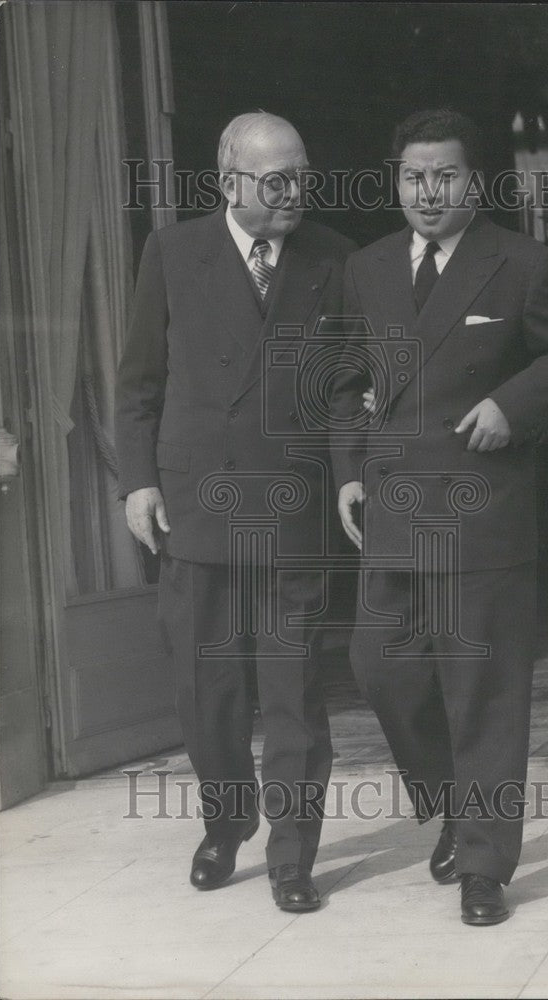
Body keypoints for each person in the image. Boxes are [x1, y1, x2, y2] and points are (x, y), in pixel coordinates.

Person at [331, 108, 548, 925]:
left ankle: (485, 863)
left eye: (444, 175)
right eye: (413, 175)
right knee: (378, 665)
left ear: (472, 181)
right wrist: (347, 473)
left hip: (482, 507)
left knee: (483, 689)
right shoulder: (369, 268)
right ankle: (456, 800)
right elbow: (345, 380)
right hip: (390, 509)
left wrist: (509, 404)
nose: (427, 191)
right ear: (396, 180)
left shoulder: (522, 263)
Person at [115, 112, 355, 912]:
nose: (293, 192)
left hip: (293, 511)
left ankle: (293, 856)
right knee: (206, 688)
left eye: (301, 175)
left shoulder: (333, 257)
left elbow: (352, 390)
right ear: (229, 183)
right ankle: (225, 825)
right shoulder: (172, 252)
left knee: (292, 694)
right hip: (197, 507)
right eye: (275, 179)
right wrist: (138, 481)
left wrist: (352, 477)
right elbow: (139, 382)